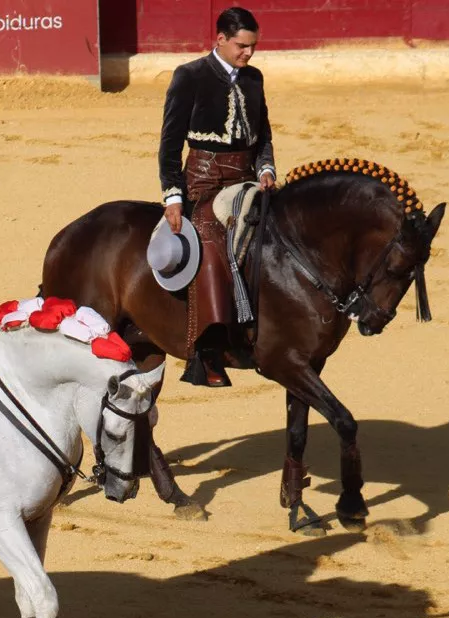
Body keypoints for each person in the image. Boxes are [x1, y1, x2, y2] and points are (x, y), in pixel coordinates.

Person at [158, 6, 277, 387]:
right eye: (242, 46)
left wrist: (267, 170)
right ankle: (208, 348)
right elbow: (170, 143)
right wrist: (173, 196)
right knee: (209, 240)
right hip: (204, 182)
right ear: (220, 39)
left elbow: (264, 135)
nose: (249, 54)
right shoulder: (189, 76)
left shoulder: (254, 78)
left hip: (246, 178)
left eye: (253, 47)